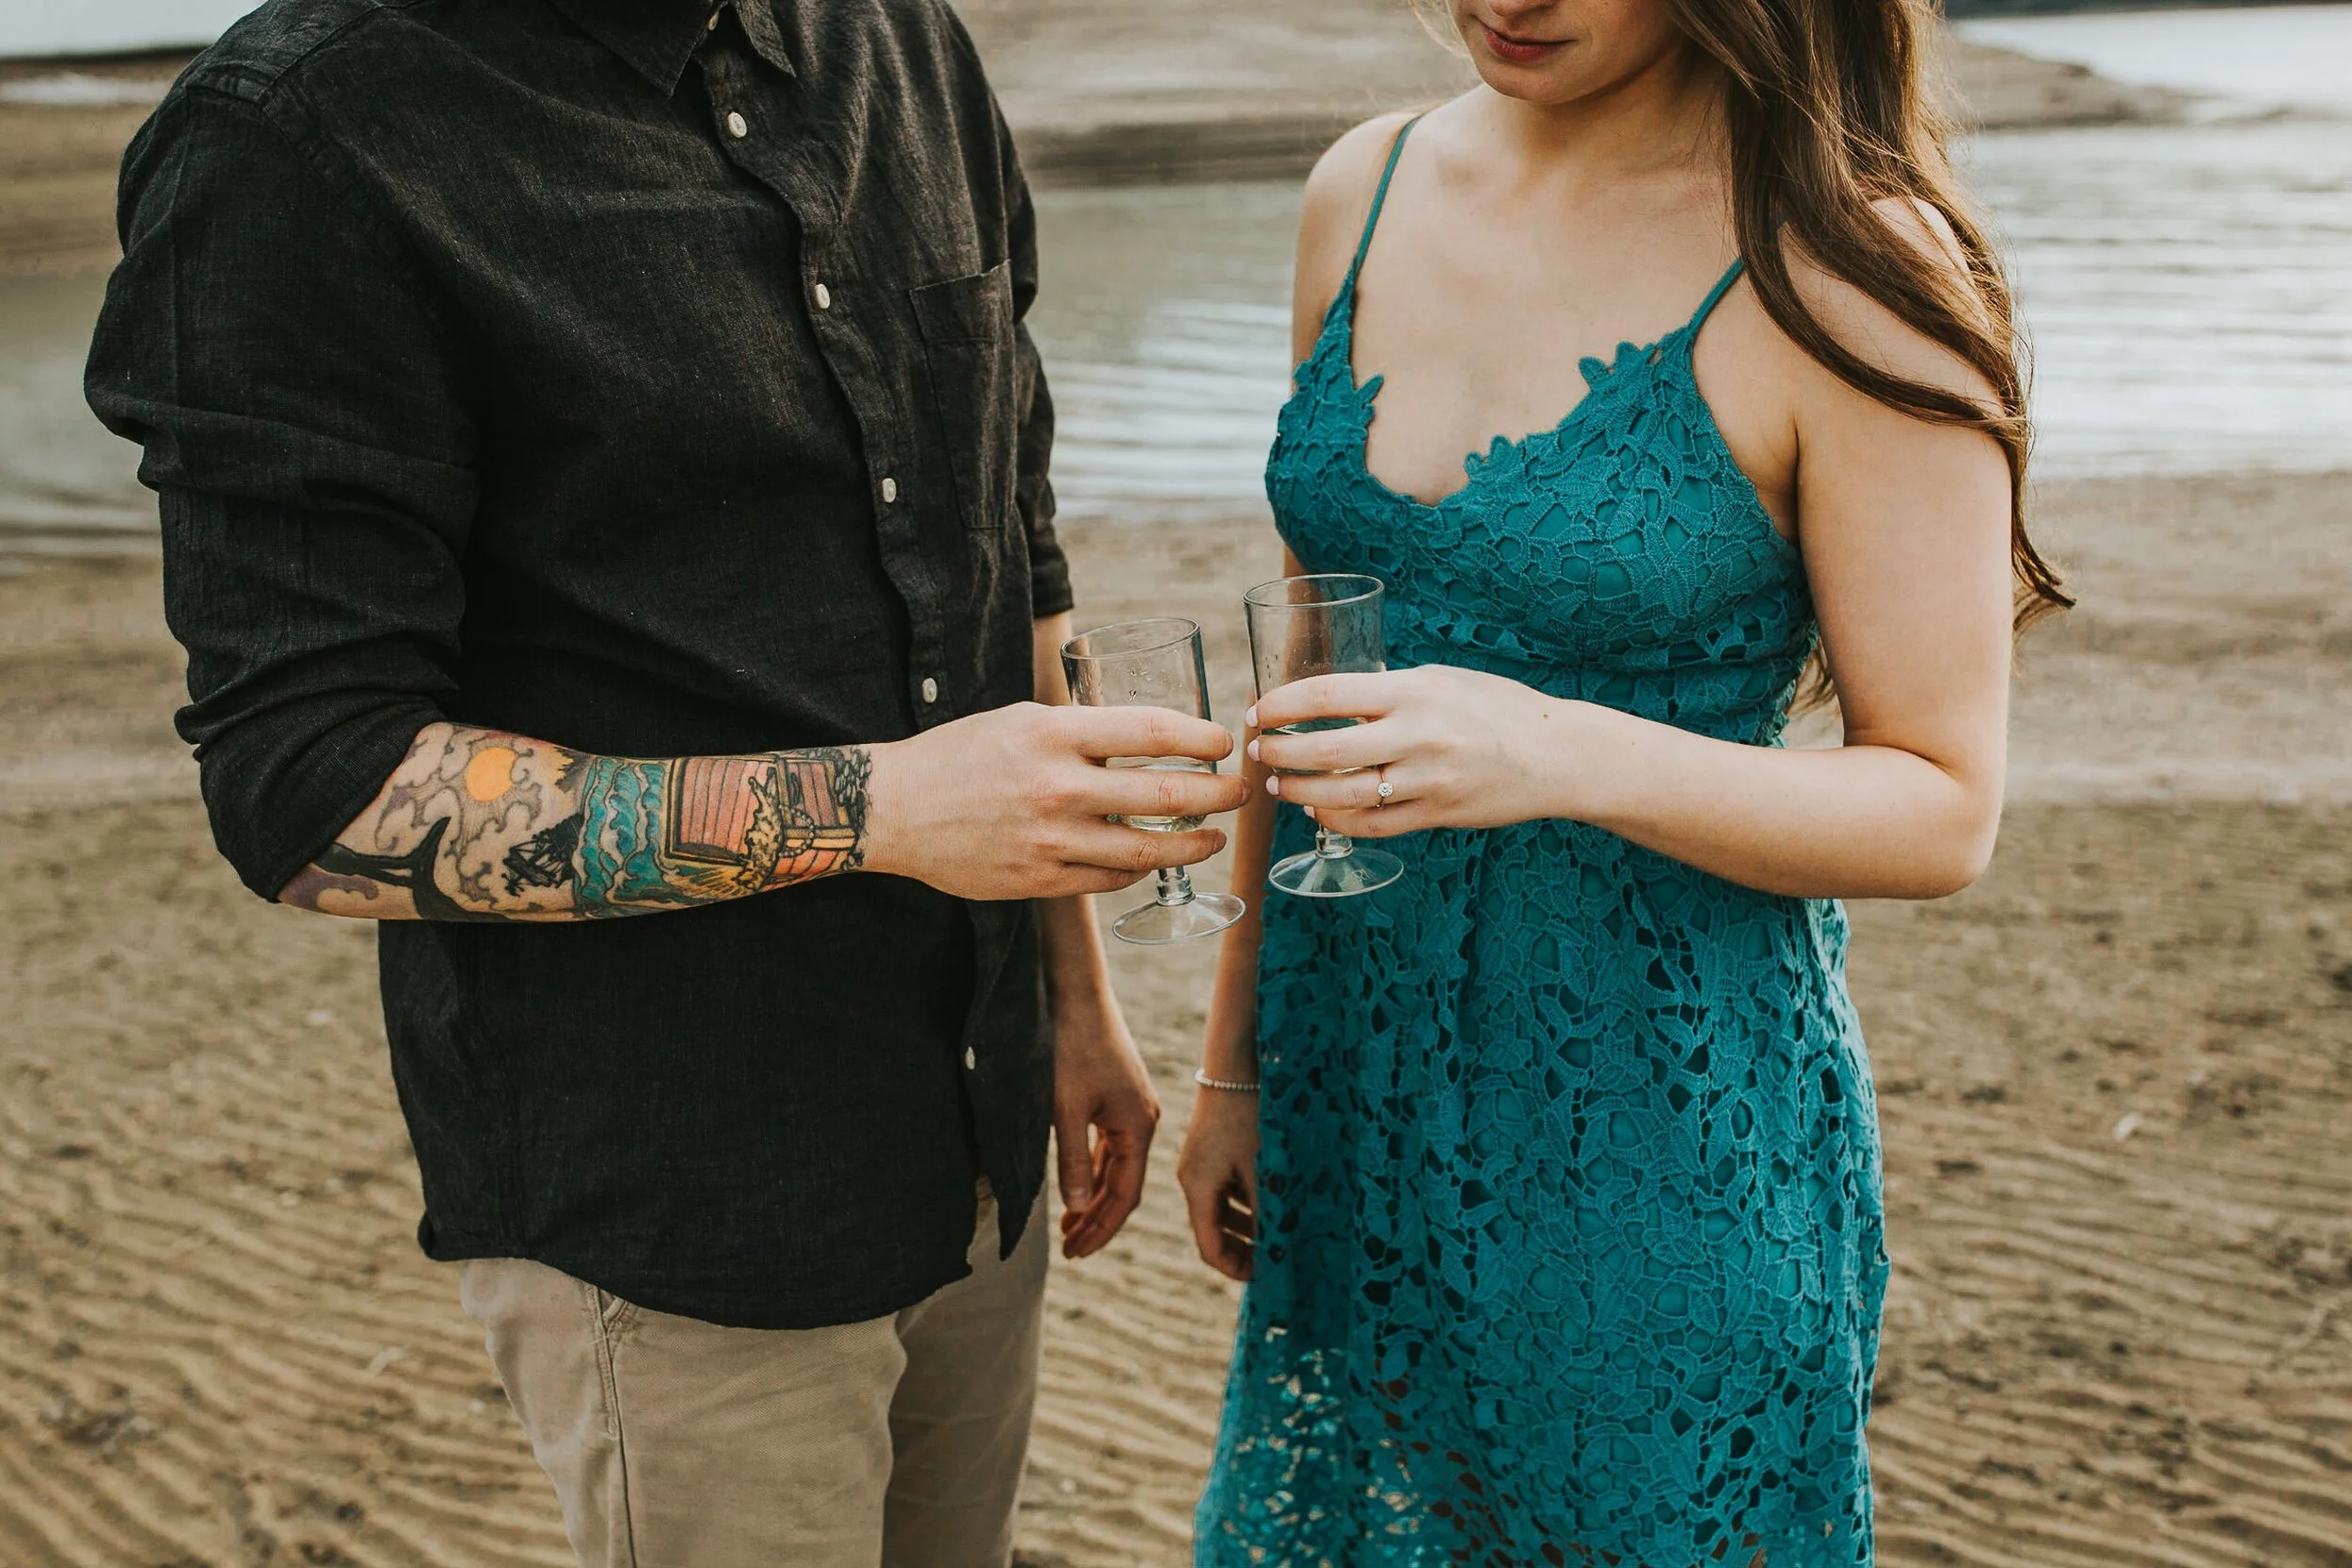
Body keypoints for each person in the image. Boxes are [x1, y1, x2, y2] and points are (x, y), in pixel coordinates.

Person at [84, 0, 1248, 1563]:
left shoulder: (901, 36)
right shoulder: (296, 139)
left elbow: (1000, 540)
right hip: (678, 1195)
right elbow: (309, 788)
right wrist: (883, 810)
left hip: (977, 1116)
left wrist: (1077, 997)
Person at [1176, 0, 2068, 1560]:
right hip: (1352, 1092)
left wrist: (1557, 748)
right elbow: (1309, 661)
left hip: (1661, 1145)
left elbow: (1941, 806)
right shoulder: (1359, 189)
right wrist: (1234, 1062)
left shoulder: (1848, 265)